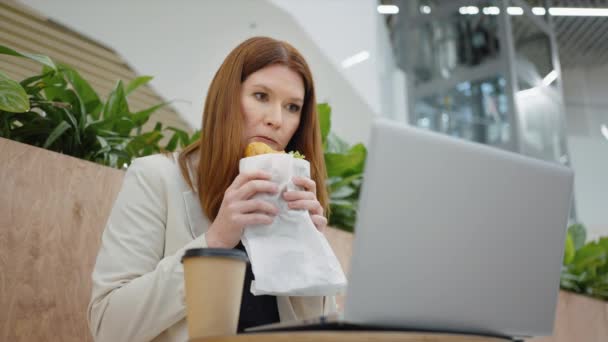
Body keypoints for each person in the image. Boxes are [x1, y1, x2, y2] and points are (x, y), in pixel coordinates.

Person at [87, 36, 337, 342]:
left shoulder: (289, 200)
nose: (276, 120)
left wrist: (308, 250)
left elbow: (314, 330)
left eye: (292, 107)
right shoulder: (156, 178)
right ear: (227, 99)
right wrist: (216, 240)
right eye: (260, 96)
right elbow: (108, 326)